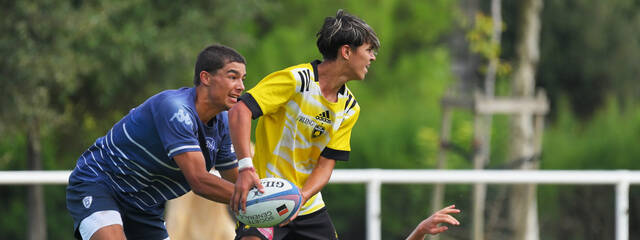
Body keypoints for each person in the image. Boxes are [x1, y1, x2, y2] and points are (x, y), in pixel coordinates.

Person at [66, 44, 246, 240]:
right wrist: (255, 199)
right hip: (101, 182)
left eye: (242, 79)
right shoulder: (176, 109)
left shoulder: (224, 124)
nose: (241, 87)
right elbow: (199, 181)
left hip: (145, 206)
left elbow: (237, 181)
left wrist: (271, 202)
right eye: (232, 77)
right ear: (206, 78)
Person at [229, 9, 379, 240]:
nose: (373, 57)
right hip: (266, 197)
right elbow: (241, 110)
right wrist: (246, 168)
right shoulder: (296, 80)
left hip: (307, 205)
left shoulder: (350, 107)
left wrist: (300, 196)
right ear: (347, 51)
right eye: (369, 50)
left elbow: (325, 166)